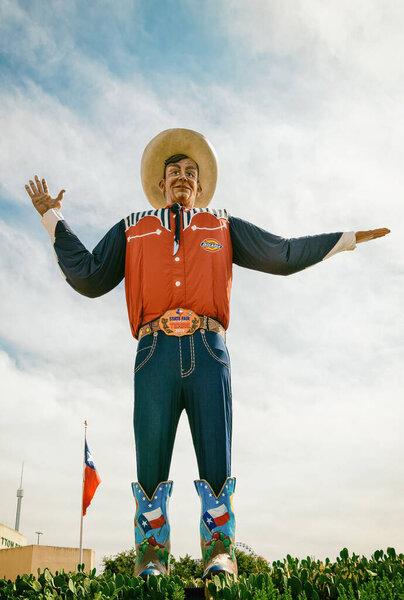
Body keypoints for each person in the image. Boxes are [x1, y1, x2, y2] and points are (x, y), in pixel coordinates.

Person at [26, 128, 390, 579]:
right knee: (151, 463)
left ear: (200, 185)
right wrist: (52, 218)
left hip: (209, 348)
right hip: (153, 351)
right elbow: (89, 276)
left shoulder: (223, 226)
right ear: (161, 184)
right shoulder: (133, 228)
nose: (182, 178)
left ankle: (220, 553)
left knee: (216, 457)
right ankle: (152, 556)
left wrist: (346, 238)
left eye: (190, 173)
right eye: (174, 172)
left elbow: (283, 252)